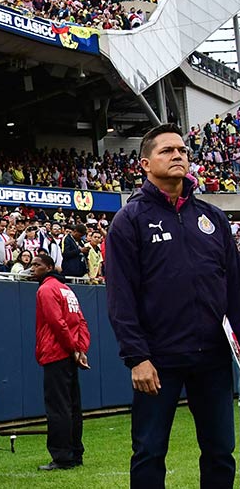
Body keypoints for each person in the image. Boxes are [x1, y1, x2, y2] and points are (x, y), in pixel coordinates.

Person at [107, 124, 240, 488]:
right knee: (149, 452)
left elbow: (234, 289)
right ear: (146, 165)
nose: (178, 154)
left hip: (213, 357)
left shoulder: (213, 218)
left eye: (182, 149)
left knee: (220, 451)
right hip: (158, 357)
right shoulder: (129, 220)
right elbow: (121, 296)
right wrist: (137, 357)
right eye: (167, 150)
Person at [30, 255, 90, 471]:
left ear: (48, 267)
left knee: (58, 408)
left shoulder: (46, 290)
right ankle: (75, 454)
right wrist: (80, 349)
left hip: (56, 353)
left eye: (37, 265)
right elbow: (80, 321)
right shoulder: (67, 290)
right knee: (73, 407)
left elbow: (57, 322)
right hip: (69, 354)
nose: (32, 268)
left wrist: (75, 348)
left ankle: (62, 457)